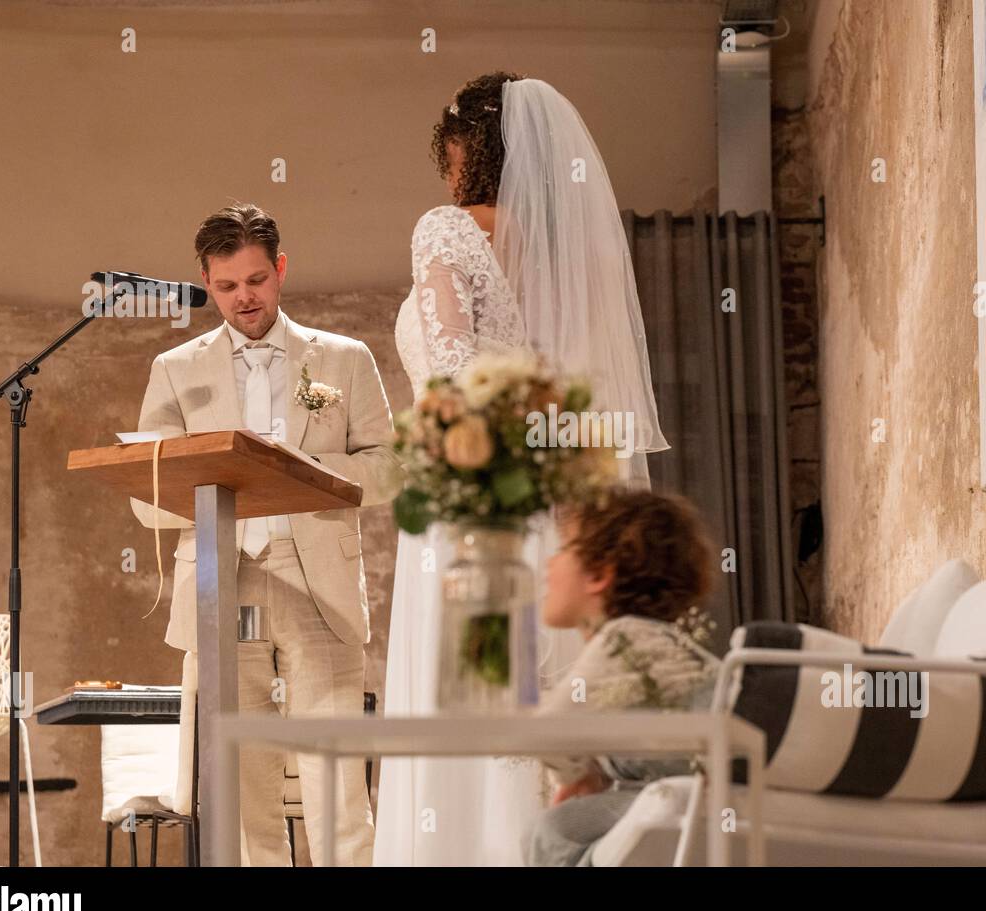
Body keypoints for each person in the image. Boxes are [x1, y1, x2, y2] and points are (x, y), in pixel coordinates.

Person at [374, 72, 669, 866]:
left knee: (469, 714)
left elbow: (451, 375)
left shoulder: (445, 228)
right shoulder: (565, 250)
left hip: (469, 505)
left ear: (469, 150)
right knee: (528, 711)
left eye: (450, 154)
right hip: (549, 506)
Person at [132, 202, 403, 866]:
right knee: (240, 793)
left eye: (255, 280)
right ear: (206, 280)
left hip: (319, 586)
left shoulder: (343, 359)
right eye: (226, 286)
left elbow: (393, 469)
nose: (243, 298)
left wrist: (298, 470)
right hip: (222, 590)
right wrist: (214, 477)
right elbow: (147, 493)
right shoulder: (175, 368)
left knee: (337, 789)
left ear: (280, 269)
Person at [525, 490, 719, 867]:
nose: (548, 564)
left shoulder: (624, 639)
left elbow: (546, 732)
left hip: (694, 797)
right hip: (696, 796)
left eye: (562, 549)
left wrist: (579, 773)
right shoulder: (648, 639)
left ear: (599, 575)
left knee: (552, 832)